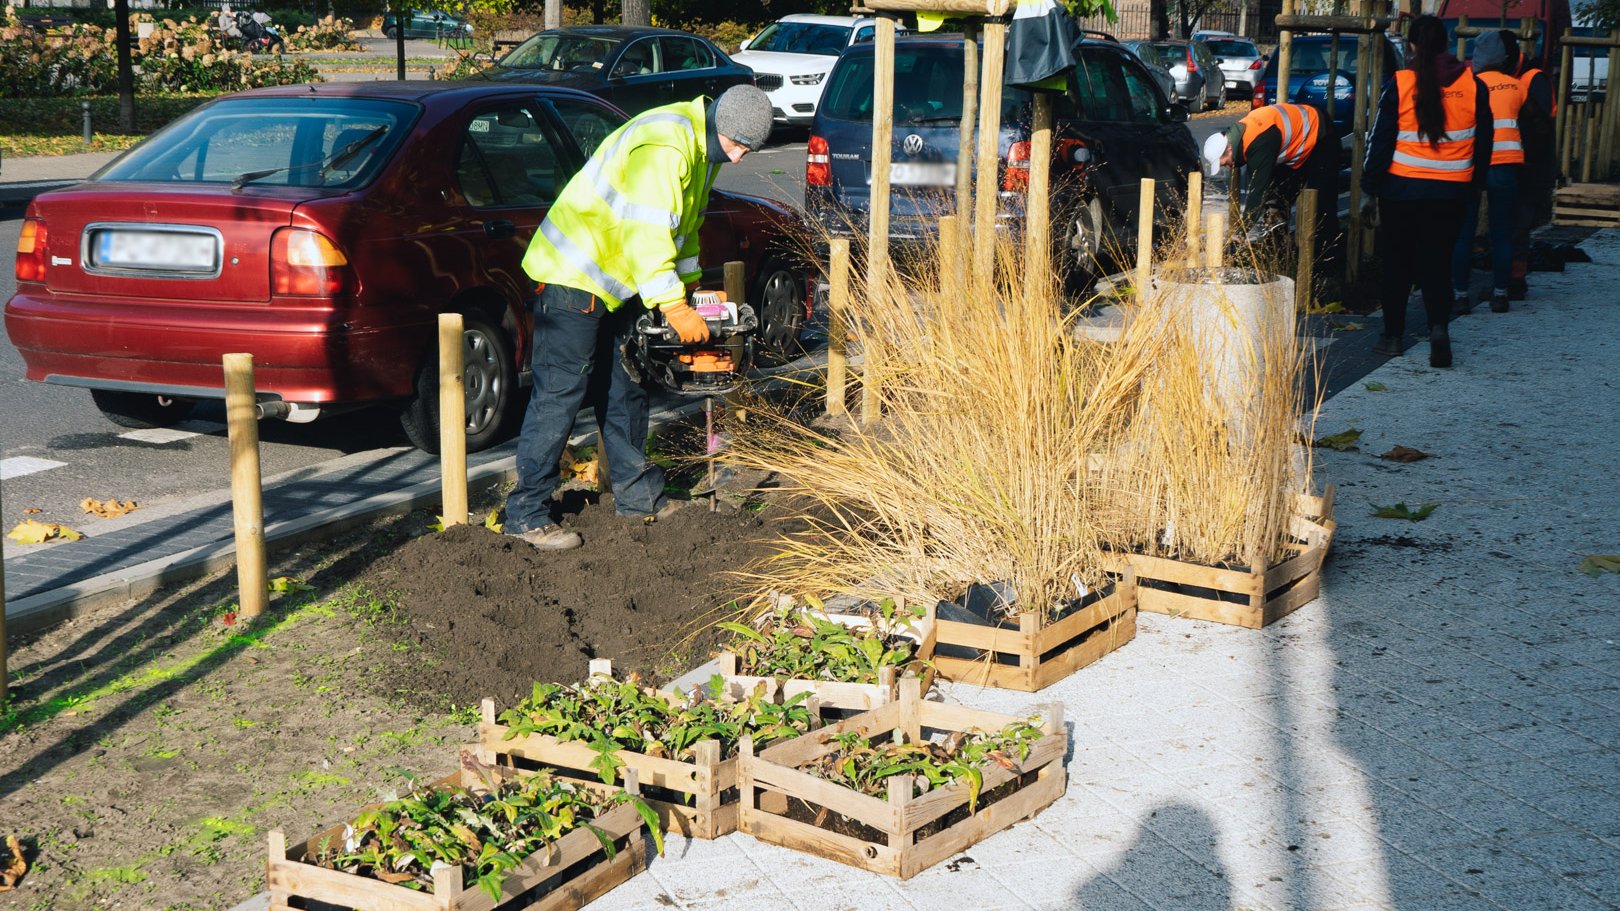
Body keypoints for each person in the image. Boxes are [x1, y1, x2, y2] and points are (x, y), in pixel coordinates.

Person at [502, 86, 774, 551]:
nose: (743, 158)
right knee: (562, 393)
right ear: (722, 128)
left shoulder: (701, 152)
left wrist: (687, 290)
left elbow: (683, 231)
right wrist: (672, 307)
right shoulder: (666, 145)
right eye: (740, 146)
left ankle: (637, 497)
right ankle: (525, 514)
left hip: (620, 282)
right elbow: (648, 233)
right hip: (573, 274)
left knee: (626, 385)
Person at [1363, 14, 1491, 368]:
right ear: (1446, 44)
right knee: (1437, 263)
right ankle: (1438, 329)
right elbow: (1485, 143)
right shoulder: (1473, 85)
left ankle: (1392, 337)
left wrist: (1369, 188)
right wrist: (1474, 185)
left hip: (1401, 190)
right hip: (1451, 193)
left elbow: (1381, 140)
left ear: (1413, 45)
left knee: (1398, 265)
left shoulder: (1401, 83)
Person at [1202, 101, 1341, 283]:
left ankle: (1326, 273)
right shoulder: (1240, 135)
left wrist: (1239, 236)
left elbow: (1256, 195)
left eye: (1224, 161)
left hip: (1321, 136)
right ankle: (1281, 261)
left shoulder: (1258, 143)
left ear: (1229, 148)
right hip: (1297, 145)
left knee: (1321, 209)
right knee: (1276, 203)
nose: (1227, 166)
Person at [1449, 30, 1524, 315]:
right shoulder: (1516, 86)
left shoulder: (1468, 85)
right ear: (1504, 57)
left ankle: (1460, 296)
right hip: (1507, 164)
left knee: (1463, 232)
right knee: (1502, 231)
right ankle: (1500, 294)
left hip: (1471, 164)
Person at [1510, 31, 1558, 300]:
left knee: (1519, 225)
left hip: (1532, 167)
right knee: (1517, 225)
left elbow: (1538, 128)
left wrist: (1527, 160)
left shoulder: (1532, 79)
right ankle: (1514, 278)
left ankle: (1516, 280)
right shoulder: (1526, 77)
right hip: (1527, 165)